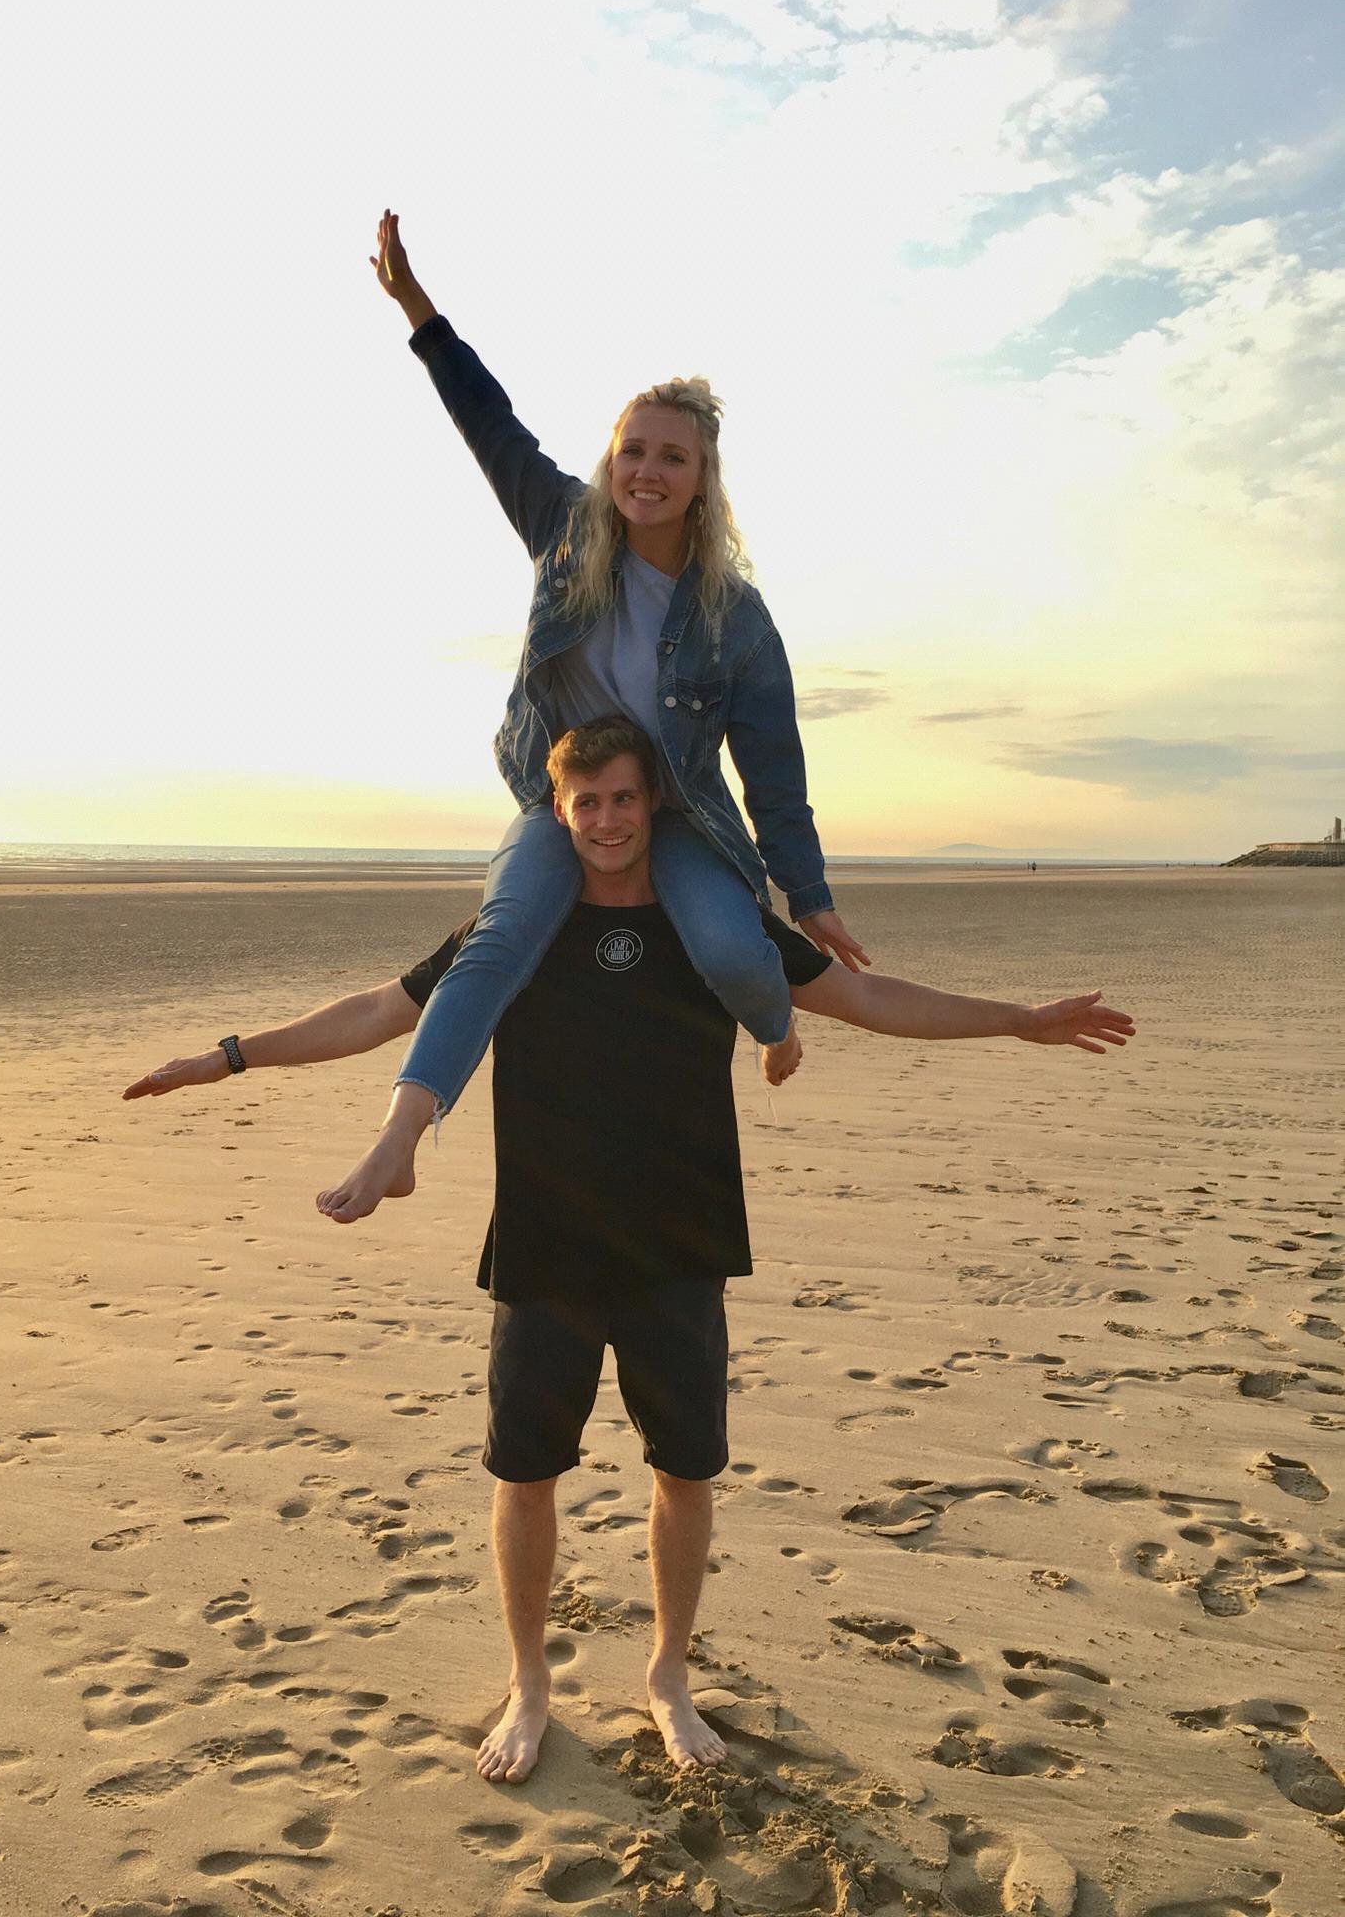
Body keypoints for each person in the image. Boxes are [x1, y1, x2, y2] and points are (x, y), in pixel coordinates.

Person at [125, 718, 1135, 1785]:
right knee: (524, 1474)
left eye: (623, 798)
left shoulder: (718, 933)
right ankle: (530, 1681)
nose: (607, 820)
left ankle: (667, 1674)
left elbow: (872, 997)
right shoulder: (519, 926)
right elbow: (383, 1008)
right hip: (547, 1240)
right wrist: (230, 1056)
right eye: (586, 802)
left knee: (684, 1468)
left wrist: (1018, 1020)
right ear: (558, 813)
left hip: (679, 1239)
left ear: (653, 803)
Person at [325, 209, 872, 1226]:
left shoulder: (735, 615)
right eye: (633, 451)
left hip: (680, 817)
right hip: (564, 798)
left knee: (736, 956)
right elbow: (490, 422)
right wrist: (418, 311)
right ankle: (400, 1137)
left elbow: (773, 766)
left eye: (671, 457)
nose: (646, 472)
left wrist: (810, 892)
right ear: (611, 458)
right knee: (494, 946)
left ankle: (775, 1027)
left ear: (702, 479)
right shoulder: (564, 527)